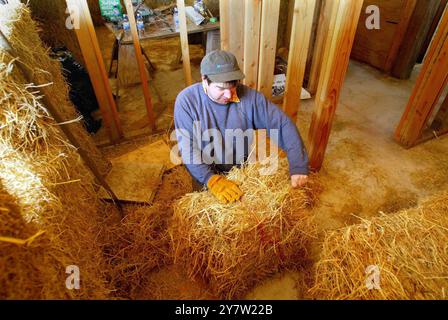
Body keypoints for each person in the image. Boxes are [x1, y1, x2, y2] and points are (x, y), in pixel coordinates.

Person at [174, 50, 309, 204]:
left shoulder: (250, 98)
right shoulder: (186, 102)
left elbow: (282, 124)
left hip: (239, 170)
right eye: (220, 88)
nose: (228, 95)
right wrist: (211, 180)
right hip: (204, 171)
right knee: (207, 214)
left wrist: (298, 164)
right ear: (204, 80)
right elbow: (188, 148)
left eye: (233, 86)